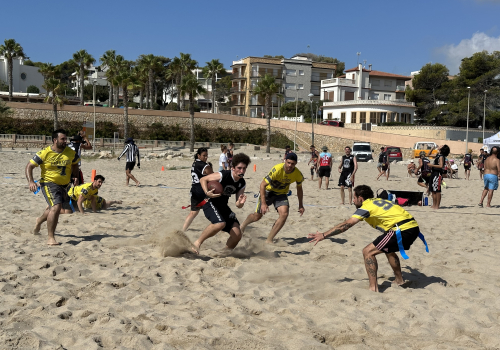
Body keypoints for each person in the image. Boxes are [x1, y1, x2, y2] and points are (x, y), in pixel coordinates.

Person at [308, 185, 423, 292]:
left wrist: (324, 235)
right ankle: (399, 280)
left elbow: (347, 224)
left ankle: (373, 288)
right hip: (413, 227)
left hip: (400, 229)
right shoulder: (379, 201)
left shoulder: (366, 207)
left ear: (361, 198)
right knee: (388, 249)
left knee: (367, 252)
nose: (353, 201)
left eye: (354, 198)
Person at [25, 129, 80, 246]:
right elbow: (29, 166)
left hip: (65, 185)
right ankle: (51, 238)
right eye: (62, 139)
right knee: (56, 207)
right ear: (55, 140)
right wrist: (31, 181)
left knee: (54, 209)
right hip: (48, 183)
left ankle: (39, 220)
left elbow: (75, 164)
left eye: (66, 139)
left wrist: (75, 176)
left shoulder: (71, 153)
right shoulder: (44, 153)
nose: (65, 141)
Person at [240, 152, 305, 243]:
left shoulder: (298, 174)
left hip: (281, 194)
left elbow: (299, 189)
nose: (290, 165)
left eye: (292, 163)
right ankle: (243, 225)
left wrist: (301, 205)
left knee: (284, 214)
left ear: (296, 164)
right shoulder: (277, 169)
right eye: (288, 162)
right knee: (257, 216)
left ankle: (269, 239)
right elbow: (262, 185)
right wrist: (263, 203)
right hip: (267, 192)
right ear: (285, 161)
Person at [192, 153, 250, 253]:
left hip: (223, 205)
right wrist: (207, 192)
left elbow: (238, 205)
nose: (242, 171)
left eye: (244, 168)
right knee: (220, 224)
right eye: (239, 168)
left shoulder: (242, 183)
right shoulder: (223, 175)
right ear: (232, 168)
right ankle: (197, 243)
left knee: (237, 234)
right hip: (209, 202)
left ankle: (225, 252)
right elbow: (203, 179)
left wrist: (241, 202)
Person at [183, 147, 213, 231]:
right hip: (203, 191)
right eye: (204, 155)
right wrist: (211, 168)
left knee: (193, 212)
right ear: (198, 155)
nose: (206, 157)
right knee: (215, 208)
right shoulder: (205, 166)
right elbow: (213, 177)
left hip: (194, 191)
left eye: (207, 155)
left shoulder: (194, 163)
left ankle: (183, 229)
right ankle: (219, 225)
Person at [428, 145, 450, 209]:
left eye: (441, 146)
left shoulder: (441, 157)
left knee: (437, 190)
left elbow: (441, 166)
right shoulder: (438, 155)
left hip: (437, 174)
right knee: (433, 190)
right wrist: (432, 148)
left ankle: (437, 205)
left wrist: (432, 165)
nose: (439, 146)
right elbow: (428, 154)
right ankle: (434, 204)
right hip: (433, 173)